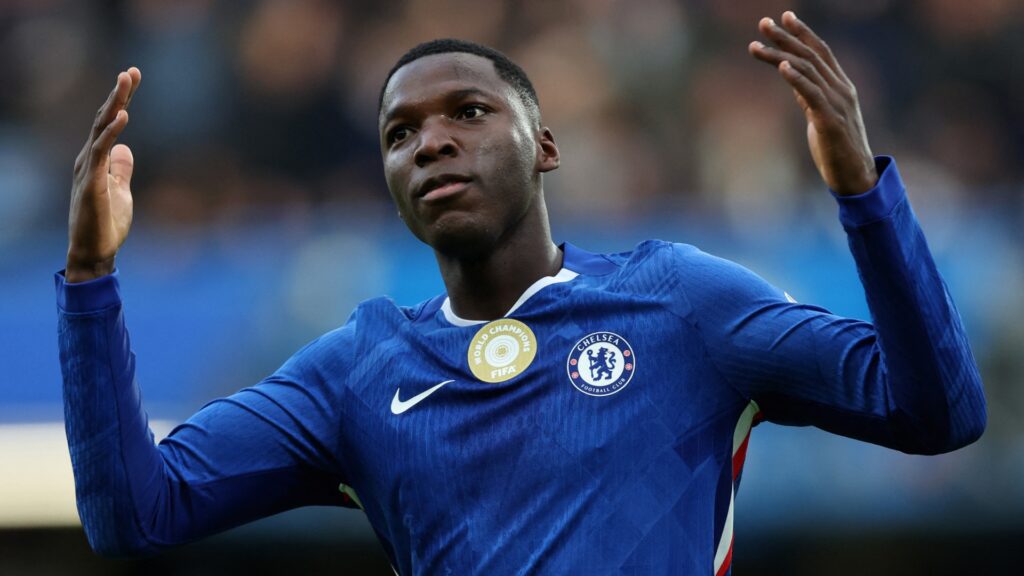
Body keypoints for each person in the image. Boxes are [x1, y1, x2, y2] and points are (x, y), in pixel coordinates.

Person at [58, 11, 986, 575]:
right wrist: (92, 281)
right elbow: (136, 513)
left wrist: (863, 192)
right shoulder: (355, 369)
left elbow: (938, 410)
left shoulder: (683, 304)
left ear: (544, 145)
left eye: (467, 112)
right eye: (400, 134)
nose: (430, 143)